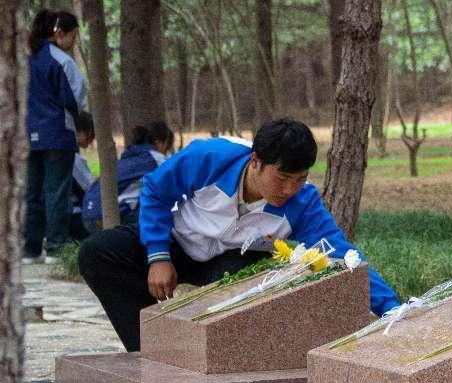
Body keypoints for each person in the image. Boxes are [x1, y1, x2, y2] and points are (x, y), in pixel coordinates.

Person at [78, 118, 401, 352]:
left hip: (232, 261)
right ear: (256, 161)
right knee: (98, 252)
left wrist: (394, 310)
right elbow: (155, 191)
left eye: (300, 179)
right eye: (282, 178)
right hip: (178, 240)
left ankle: (213, 354)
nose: (290, 189)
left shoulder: (304, 203)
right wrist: (158, 255)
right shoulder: (210, 157)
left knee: (251, 285)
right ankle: (147, 347)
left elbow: (341, 254)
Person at [24, 9, 87, 264]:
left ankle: (30, 250)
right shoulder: (62, 61)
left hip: (27, 134)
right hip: (58, 133)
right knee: (57, 191)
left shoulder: (27, 59)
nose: (73, 42)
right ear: (59, 33)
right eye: (73, 36)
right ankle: (56, 248)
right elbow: (75, 98)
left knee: (32, 192)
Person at [81, 121, 174, 233]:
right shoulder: (157, 159)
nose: (166, 153)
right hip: (108, 218)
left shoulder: (129, 155)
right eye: (166, 148)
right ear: (159, 142)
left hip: (87, 218)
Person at [70, 111, 96, 240]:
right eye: (92, 135)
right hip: (73, 216)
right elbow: (89, 188)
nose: (92, 140)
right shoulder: (73, 158)